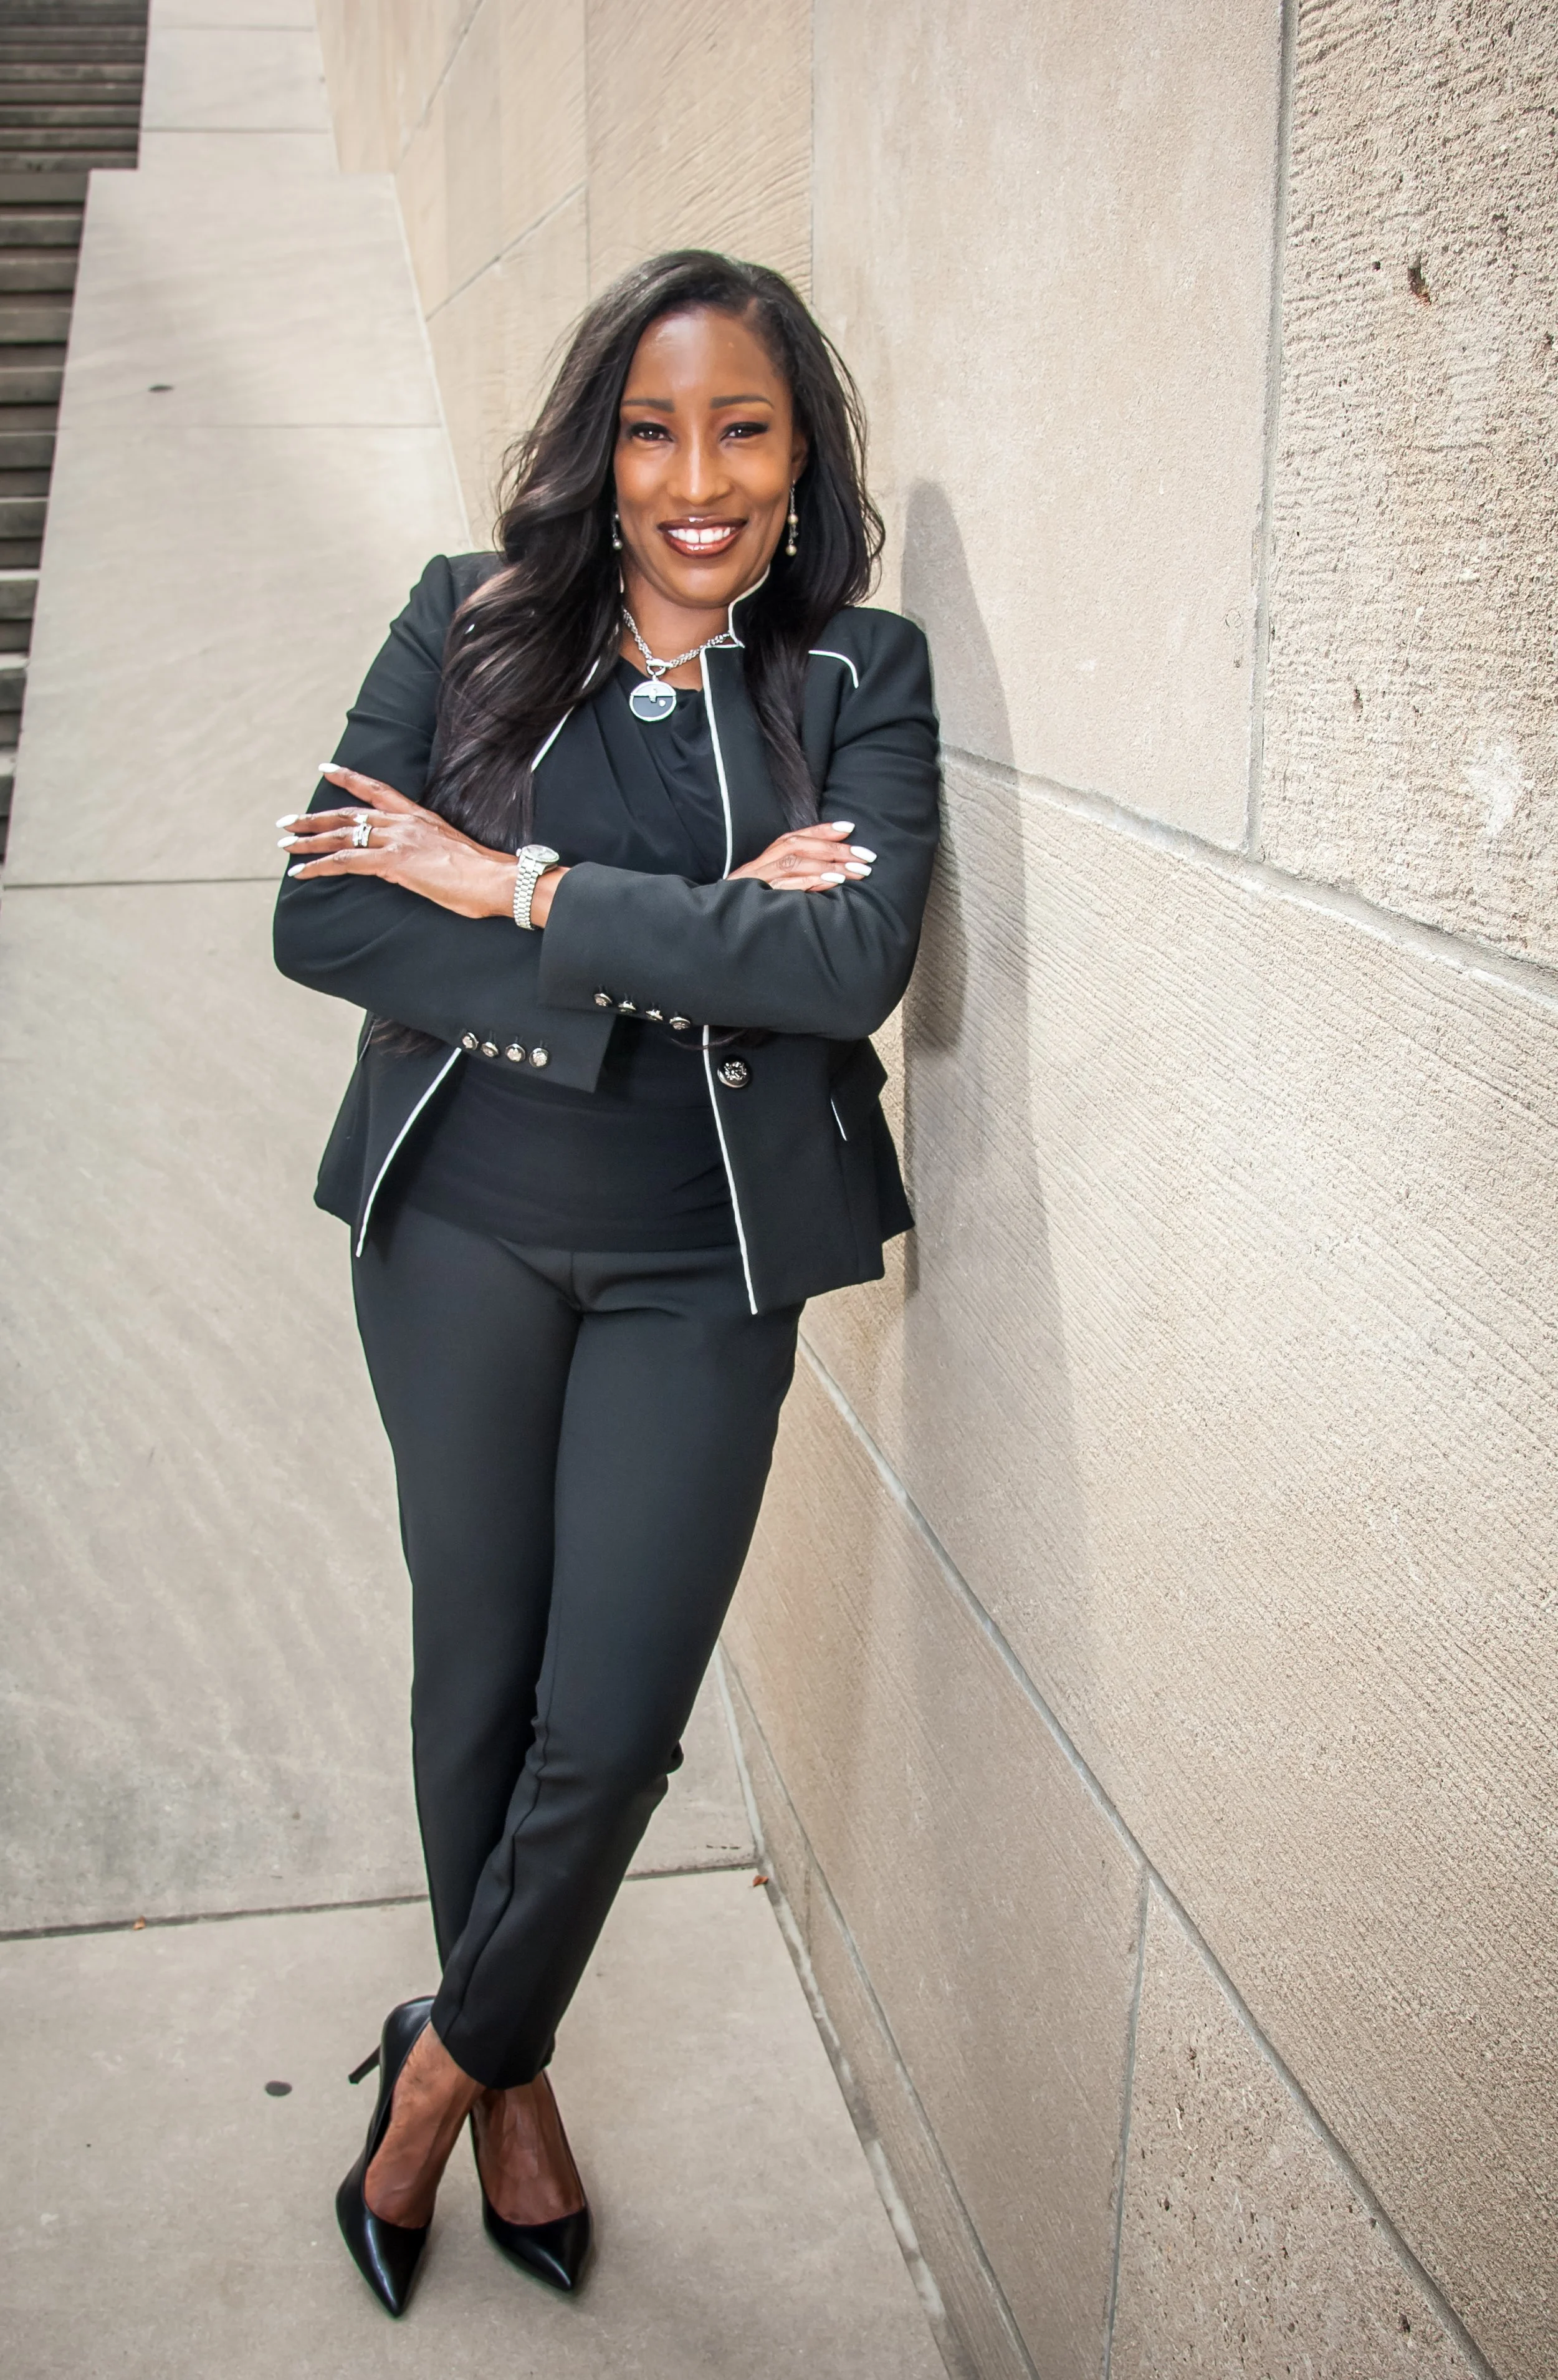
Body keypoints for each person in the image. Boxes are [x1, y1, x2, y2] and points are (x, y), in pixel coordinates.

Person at [272, 247, 940, 2317]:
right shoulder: (468, 623)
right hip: (459, 1224)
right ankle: (525, 2082)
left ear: (802, 454)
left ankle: (438, 2068)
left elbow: (847, 964)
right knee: (478, 1676)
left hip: (699, 1261)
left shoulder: (856, 673)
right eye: (654, 431)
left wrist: (520, 886)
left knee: (617, 1714)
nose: (695, 479)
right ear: (601, 448)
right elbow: (329, 920)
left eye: (742, 430)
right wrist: (696, 932)